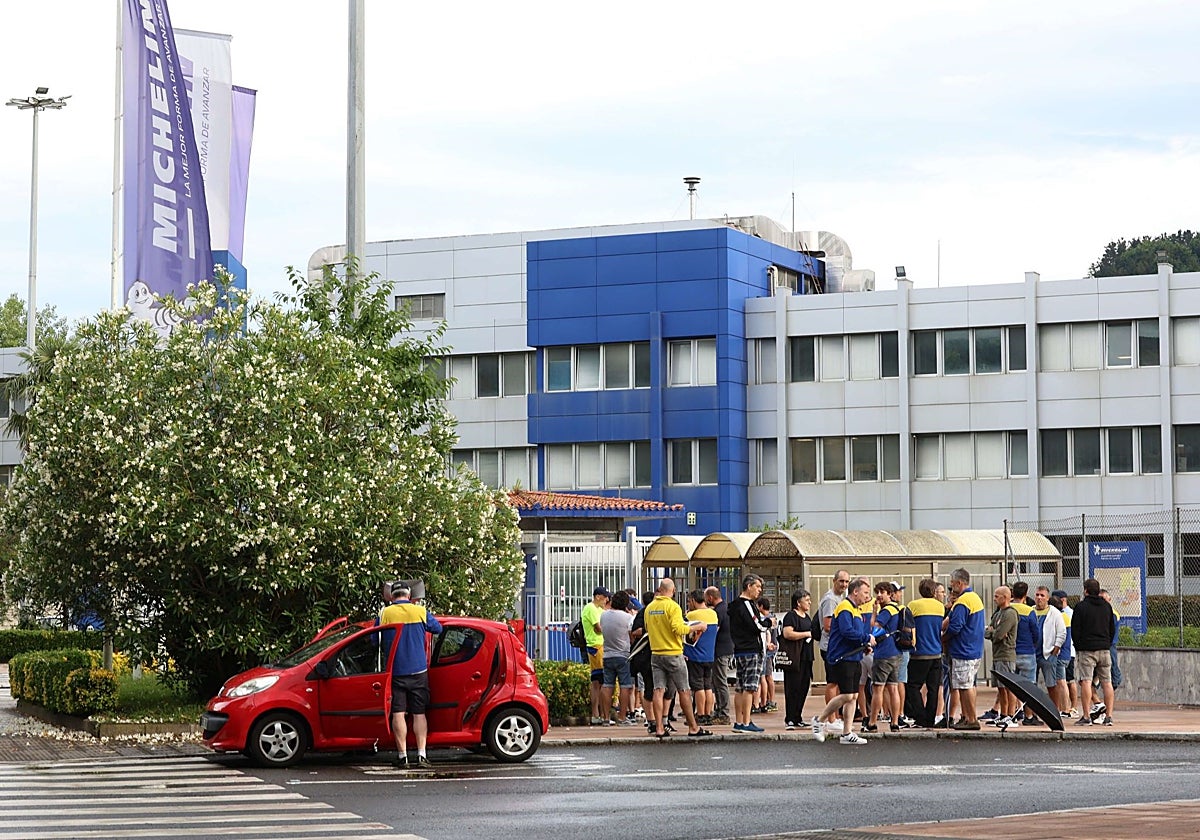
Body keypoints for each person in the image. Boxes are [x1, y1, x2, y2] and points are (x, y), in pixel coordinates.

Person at [380, 582, 443, 769]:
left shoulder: (385, 614)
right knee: (419, 713)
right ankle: (422, 755)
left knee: (398, 713)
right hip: (418, 671)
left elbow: (375, 639)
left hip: (396, 671)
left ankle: (402, 756)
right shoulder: (420, 611)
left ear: (392, 596)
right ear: (409, 596)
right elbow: (438, 628)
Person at [643, 578, 713, 738]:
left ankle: (659, 728)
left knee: (658, 690)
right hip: (673, 653)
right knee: (684, 690)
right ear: (673, 591)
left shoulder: (650, 608)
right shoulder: (672, 606)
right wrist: (698, 626)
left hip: (656, 654)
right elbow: (679, 628)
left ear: (659, 589)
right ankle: (693, 728)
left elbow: (647, 629)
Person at [812, 577, 873, 745]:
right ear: (855, 592)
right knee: (846, 694)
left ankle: (847, 733)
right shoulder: (845, 607)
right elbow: (847, 631)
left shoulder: (856, 610)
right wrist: (867, 637)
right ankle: (820, 720)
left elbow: (854, 635)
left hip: (854, 656)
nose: (867, 596)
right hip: (843, 657)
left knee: (853, 696)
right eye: (865, 593)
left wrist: (864, 645)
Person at [942, 568, 985, 730]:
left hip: (963, 650)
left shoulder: (963, 602)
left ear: (959, 583)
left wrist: (942, 638)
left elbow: (955, 626)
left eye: (952, 584)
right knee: (967, 684)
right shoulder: (974, 598)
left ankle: (971, 719)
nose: (951, 587)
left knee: (964, 686)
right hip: (973, 649)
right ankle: (966, 716)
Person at [729, 574, 772, 733]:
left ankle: (739, 722)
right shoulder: (746, 604)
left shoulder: (733, 605)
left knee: (740, 687)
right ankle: (746, 722)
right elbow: (757, 625)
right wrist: (769, 623)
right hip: (750, 650)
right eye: (758, 587)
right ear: (749, 586)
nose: (759, 591)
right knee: (749, 687)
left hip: (739, 650)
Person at [1072, 578, 1117, 726]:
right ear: (1098, 591)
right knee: (1107, 682)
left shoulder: (1080, 607)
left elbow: (1075, 630)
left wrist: (1079, 646)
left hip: (1087, 649)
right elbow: (1112, 628)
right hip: (1104, 648)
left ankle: (1086, 716)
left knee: (1086, 681)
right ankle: (1109, 716)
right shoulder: (1106, 606)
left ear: (1085, 590)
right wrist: (1107, 643)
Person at [904, 578, 945, 728]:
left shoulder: (913, 606)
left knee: (913, 686)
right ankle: (930, 719)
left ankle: (920, 717)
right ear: (934, 591)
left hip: (919, 652)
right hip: (936, 652)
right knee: (933, 689)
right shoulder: (940, 607)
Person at [866, 582, 902, 732]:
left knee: (878, 689)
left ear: (890, 594)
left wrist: (874, 612)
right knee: (893, 688)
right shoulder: (897, 608)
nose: (879, 595)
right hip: (896, 652)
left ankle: (872, 723)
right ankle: (894, 722)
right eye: (877, 592)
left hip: (884, 654)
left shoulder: (886, 611)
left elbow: (874, 628)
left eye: (883, 592)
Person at [1030, 585, 1067, 725]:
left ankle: (1054, 712)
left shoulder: (1054, 613)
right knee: (1031, 685)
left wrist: (1056, 647)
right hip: (1032, 654)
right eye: (1037, 595)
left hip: (1048, 654)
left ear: (1047, 598)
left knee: (1051, 685)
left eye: (1042, 596)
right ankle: (1031, 714)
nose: (1039, 598)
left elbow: (1062, 632)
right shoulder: (1031, 611)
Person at [599, 590, 636, 726]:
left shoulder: (604, 616)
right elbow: (632, 637)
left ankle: (605, 718)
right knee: (625, 686)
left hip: (607, 654)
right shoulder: (627, 618)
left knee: (607, 685)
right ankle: (622, 717)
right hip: (623, 655)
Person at [819, 570, 852, 719]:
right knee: (832, 683)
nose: (844, 584)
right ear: (834, 581)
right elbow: (827, 625)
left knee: (839, 683)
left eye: (846, 582)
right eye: (841, 581)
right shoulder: (830, 600)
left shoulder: (842, 598)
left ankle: (837, 717)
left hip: (839, 647)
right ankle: (831, 718)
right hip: (830, 647)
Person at [780, 589, 816, 729]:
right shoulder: (791, 616)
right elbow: (787, 633)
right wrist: (806, 634)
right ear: (798, 602)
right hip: (795, 657)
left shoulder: (807, 617)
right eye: (806, 600)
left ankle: (798, 716)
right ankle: (789, 717)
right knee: (792, 687)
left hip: (807, 656)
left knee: (803, 687)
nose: (809, 603)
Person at [983, 585, 1019, 725]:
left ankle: (1011, 714)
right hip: (997, 655)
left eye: (997, 596)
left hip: (1006, 654)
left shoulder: (1010, 614)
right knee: (1000, 687)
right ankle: (1003, 713)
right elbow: (988, 632)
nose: (994, 599)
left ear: (1005, 597)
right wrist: (993, 632)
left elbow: (999, 634)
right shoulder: (998, 614)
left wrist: (994, 632)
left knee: (1008, 687)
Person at [684, 589, 719, 725]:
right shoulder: (713, 614)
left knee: (698, 687)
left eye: (689, 601)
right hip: (710, 655)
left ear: (693, 600)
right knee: (708, 686)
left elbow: (685, 632)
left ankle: (700, 714)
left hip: (695, 656)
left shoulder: (692, 615)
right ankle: (708, 714)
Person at [704, 586, 734, 726]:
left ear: (710, 597)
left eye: (706, 598)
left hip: (720, 651)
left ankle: (724, 713)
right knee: (718, 681)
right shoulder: (726, 608)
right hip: (726, 649)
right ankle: (720, 710)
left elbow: (714, 631)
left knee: (720, 682)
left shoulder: (718, 612)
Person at [581, 586, 610, 725]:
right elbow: (598, 628)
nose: (607, 600)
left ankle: (599, 714)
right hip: (595, 646)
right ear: (598, 596)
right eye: (605, 598)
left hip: (601, 646)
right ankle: (597, 714)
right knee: (598, 682)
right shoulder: (591, 608)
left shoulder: (599, 609)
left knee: (600, 682)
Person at [755, 596, 778, 713]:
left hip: (767, 651)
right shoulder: (773, 618)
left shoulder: (765, 619)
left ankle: (768, 701)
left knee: (766, 677)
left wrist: (769, 644)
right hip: (771, 650)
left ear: (761, 606)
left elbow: (768, 634)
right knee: (767, 677)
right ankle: (769, 700)